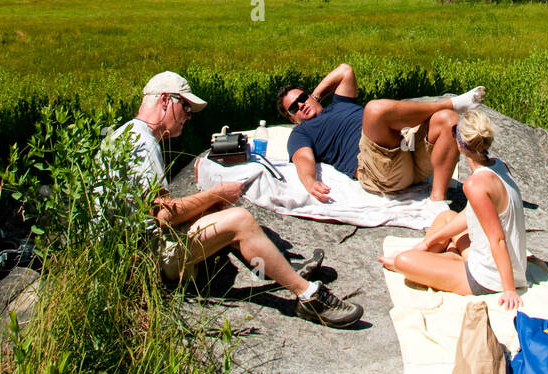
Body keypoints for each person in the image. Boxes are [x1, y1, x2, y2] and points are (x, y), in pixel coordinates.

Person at [104, 70, 363, 328]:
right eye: (185, 107)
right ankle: (309, 296)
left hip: (126, 251)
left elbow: (152, 212)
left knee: (214, 211)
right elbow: (163, 215)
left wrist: (209, 202)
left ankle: (272, 270)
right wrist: (214, 194)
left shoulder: (128, 133)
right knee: (239, 220)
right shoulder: (144, 144)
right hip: (142, 260)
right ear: (164, 101)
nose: (188, 117)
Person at [277, 62, 485, 214]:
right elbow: (302, 158)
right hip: (378, 169)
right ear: (292, 117)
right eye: (294, 107)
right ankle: (450, 102)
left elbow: (345, 70)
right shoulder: (300, 133)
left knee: (448, 120)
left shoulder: (338, 103)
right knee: (375, 110)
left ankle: (437, 201)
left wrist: (315, 95)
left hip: (409, 155)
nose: (302, 105)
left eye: (302, 98)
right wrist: (310, 180)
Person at [377, 109, 527, 309]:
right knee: (446, 216)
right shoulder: (499, 166)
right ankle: (440, 254)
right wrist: (428, 241)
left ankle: (441, 259)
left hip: (489, 277)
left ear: (459, 144)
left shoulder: (475, 185)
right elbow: (473, 214)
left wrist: (509, 289)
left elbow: (497, 239)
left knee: (403, 261)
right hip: (498, 261)